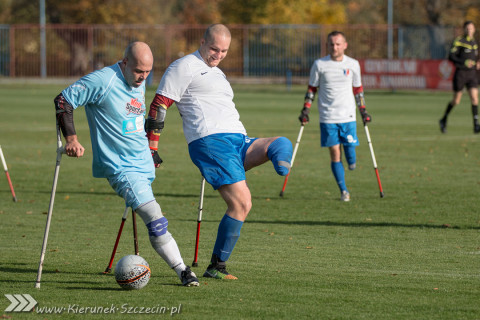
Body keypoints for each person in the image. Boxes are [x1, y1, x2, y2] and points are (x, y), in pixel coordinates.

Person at [146, 24, 293, 280]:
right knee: (242, 202)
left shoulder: (218, 73)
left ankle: (280, 166)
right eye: (214, 48)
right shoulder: (184, 66)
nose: (218, 55)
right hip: (210, 142)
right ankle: (216, 266)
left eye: (224, 51)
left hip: (238, 139)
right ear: (202, 41)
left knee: (280, 143)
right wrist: (151, 146)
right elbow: (160, 104)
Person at [53, 41, 199, 287]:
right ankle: (183, 270)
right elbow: (63, 101)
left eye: (148, 71)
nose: (143, 77)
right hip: (121, 167)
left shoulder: (138, 82)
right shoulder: (103, 80)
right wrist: (72, 140)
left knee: (153, 217)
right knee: (155, 218)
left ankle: (179, 268)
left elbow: (133, 119)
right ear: (124, 63)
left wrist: (151, 152)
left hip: (143, 164)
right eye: (138, 71)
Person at [298, 31, 371, 202]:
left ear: (345, 45)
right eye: (331, 44)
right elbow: (312, 88)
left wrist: (363, 110)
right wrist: (305, 110)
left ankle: (351, 161)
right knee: (334, 152)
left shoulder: (353, 64)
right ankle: (344, 191)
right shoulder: (319, 64)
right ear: (327, 45)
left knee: (350, 153)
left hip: (348, 115)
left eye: (338, 44)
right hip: (327, 116)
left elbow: (358, 90)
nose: (334, 47)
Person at [439, 21, 480, 134]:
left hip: (471, 74)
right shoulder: (459, 41)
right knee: (456, 101)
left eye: (471, 28)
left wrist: (477, 63)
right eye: (467, 28)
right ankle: (444, 119)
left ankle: (476, 125)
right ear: (464, 29)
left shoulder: (474, 43)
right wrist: (464, 62)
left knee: (475, 98)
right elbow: (451, 56)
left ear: (474, 29)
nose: (469, 30)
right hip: (461, 73)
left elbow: (475, 58)